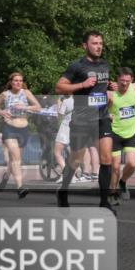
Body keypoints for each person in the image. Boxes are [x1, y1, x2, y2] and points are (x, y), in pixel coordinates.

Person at [55, 30, 114, 210]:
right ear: (85, 46)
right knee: (76, 159)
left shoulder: (105, 65)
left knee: (106, 158)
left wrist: (110, 88)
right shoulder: (77, 66)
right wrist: (82, 84)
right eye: (95, 43)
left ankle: (104, 202)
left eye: (101, 43)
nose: (99, 47)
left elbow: (101, 88)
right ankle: (63, 191)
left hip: (102, 117)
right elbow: (59, 87)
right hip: (81, 120)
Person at [0, 72, 43, 198]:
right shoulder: (5, 94)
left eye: (20, 80)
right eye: (16, 80)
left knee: (15, 160)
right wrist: (1, 112)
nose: (18, 82)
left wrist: (25, 107)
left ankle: (6, 177)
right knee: (16, 158)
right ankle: (20, 187)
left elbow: (38, 107)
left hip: (23, 128)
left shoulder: (26, 93)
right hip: (9, 127)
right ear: (11, 82)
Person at [106, 67, 135, 205]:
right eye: (122, 80)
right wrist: (107, 114)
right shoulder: (110, 93)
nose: (124, 83)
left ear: (132, 80)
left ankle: (123, 182)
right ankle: (112, 194)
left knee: (132, 164)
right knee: (115, 167)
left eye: (127, 81)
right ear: (117, 79)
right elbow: (96, 110)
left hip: (131, 133)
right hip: (114, 133)